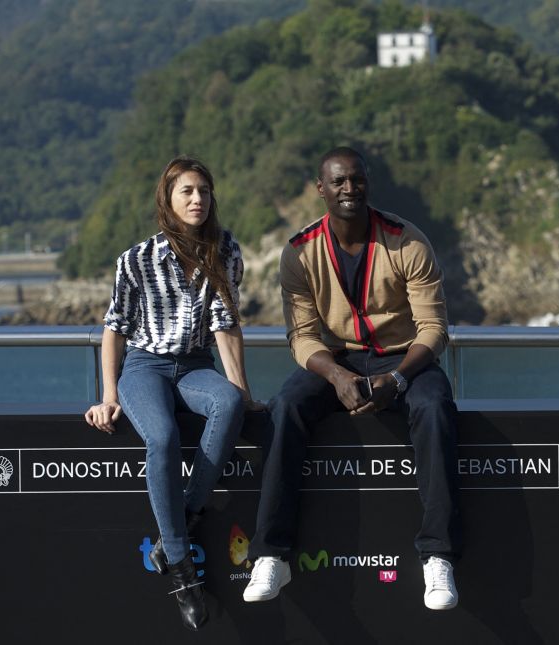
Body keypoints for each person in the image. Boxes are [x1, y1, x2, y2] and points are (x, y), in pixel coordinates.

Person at [243, 147, 461, 610]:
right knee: (285, 407)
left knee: (434, 408)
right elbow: (301, 337)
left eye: (356, 180)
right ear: (320, 189)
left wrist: (399, 380)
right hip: (338, 359)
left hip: (406, 359)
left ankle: (437, 556)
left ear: (368, 183)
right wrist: (337, 375)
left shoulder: (408, 241)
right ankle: (271, 555)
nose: (349, 190)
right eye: (338, 182)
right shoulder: (300, 253)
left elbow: (434, 329)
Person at [84, 156, 262, 630]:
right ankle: (182, 572)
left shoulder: (225, 250)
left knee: (226, 404)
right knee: (161, 437)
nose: (197, 199)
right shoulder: (137, 259)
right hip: (144, 366)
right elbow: (114, 329)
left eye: (204, 190)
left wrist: (241, 389)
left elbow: (226, 324)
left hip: (196, 367)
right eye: (187, 191)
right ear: (168, 199)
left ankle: (180, 517)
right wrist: (108, 395)